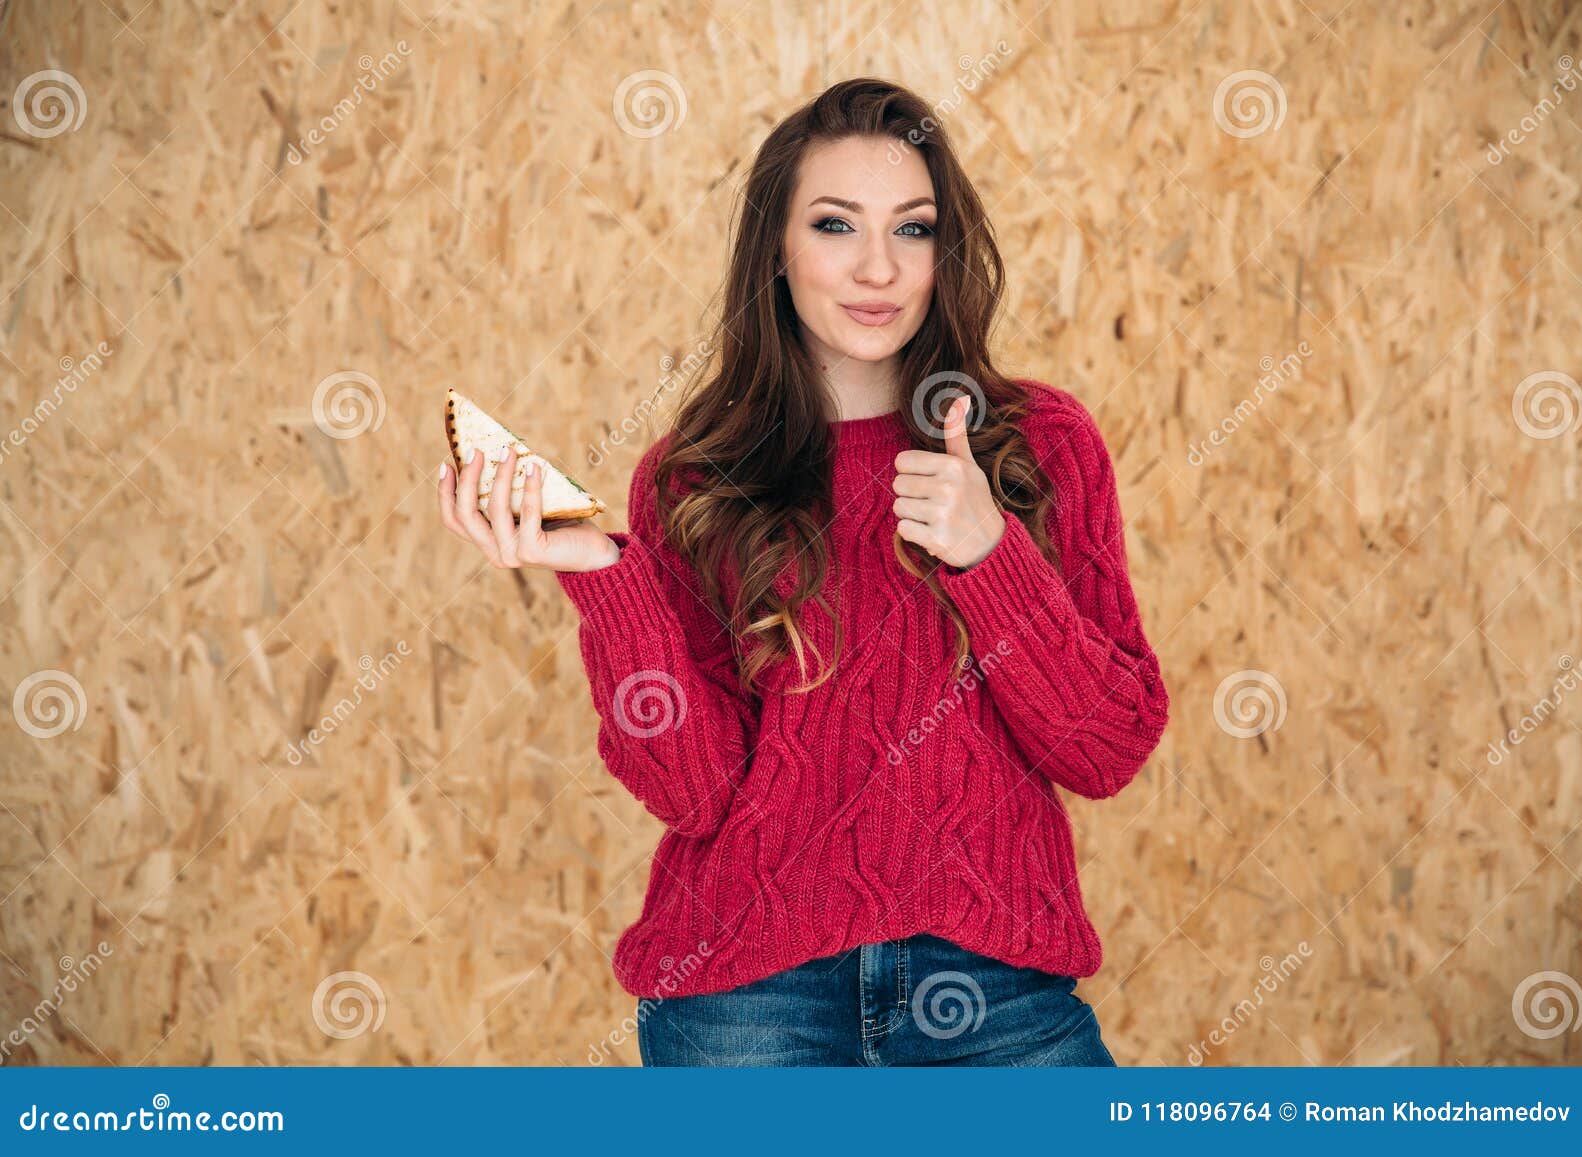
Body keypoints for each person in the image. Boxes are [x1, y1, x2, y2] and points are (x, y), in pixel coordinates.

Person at [437, 77, 1169, 1066]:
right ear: (774, 254)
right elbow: (695, 788)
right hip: (749, 1005)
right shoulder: (696, 477)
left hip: (993, 994)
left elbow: (1106, 747)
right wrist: (601, 573)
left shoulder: (1037, 445)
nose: (876, 266)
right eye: (834, 225)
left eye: (911, 229)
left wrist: (989, 554)